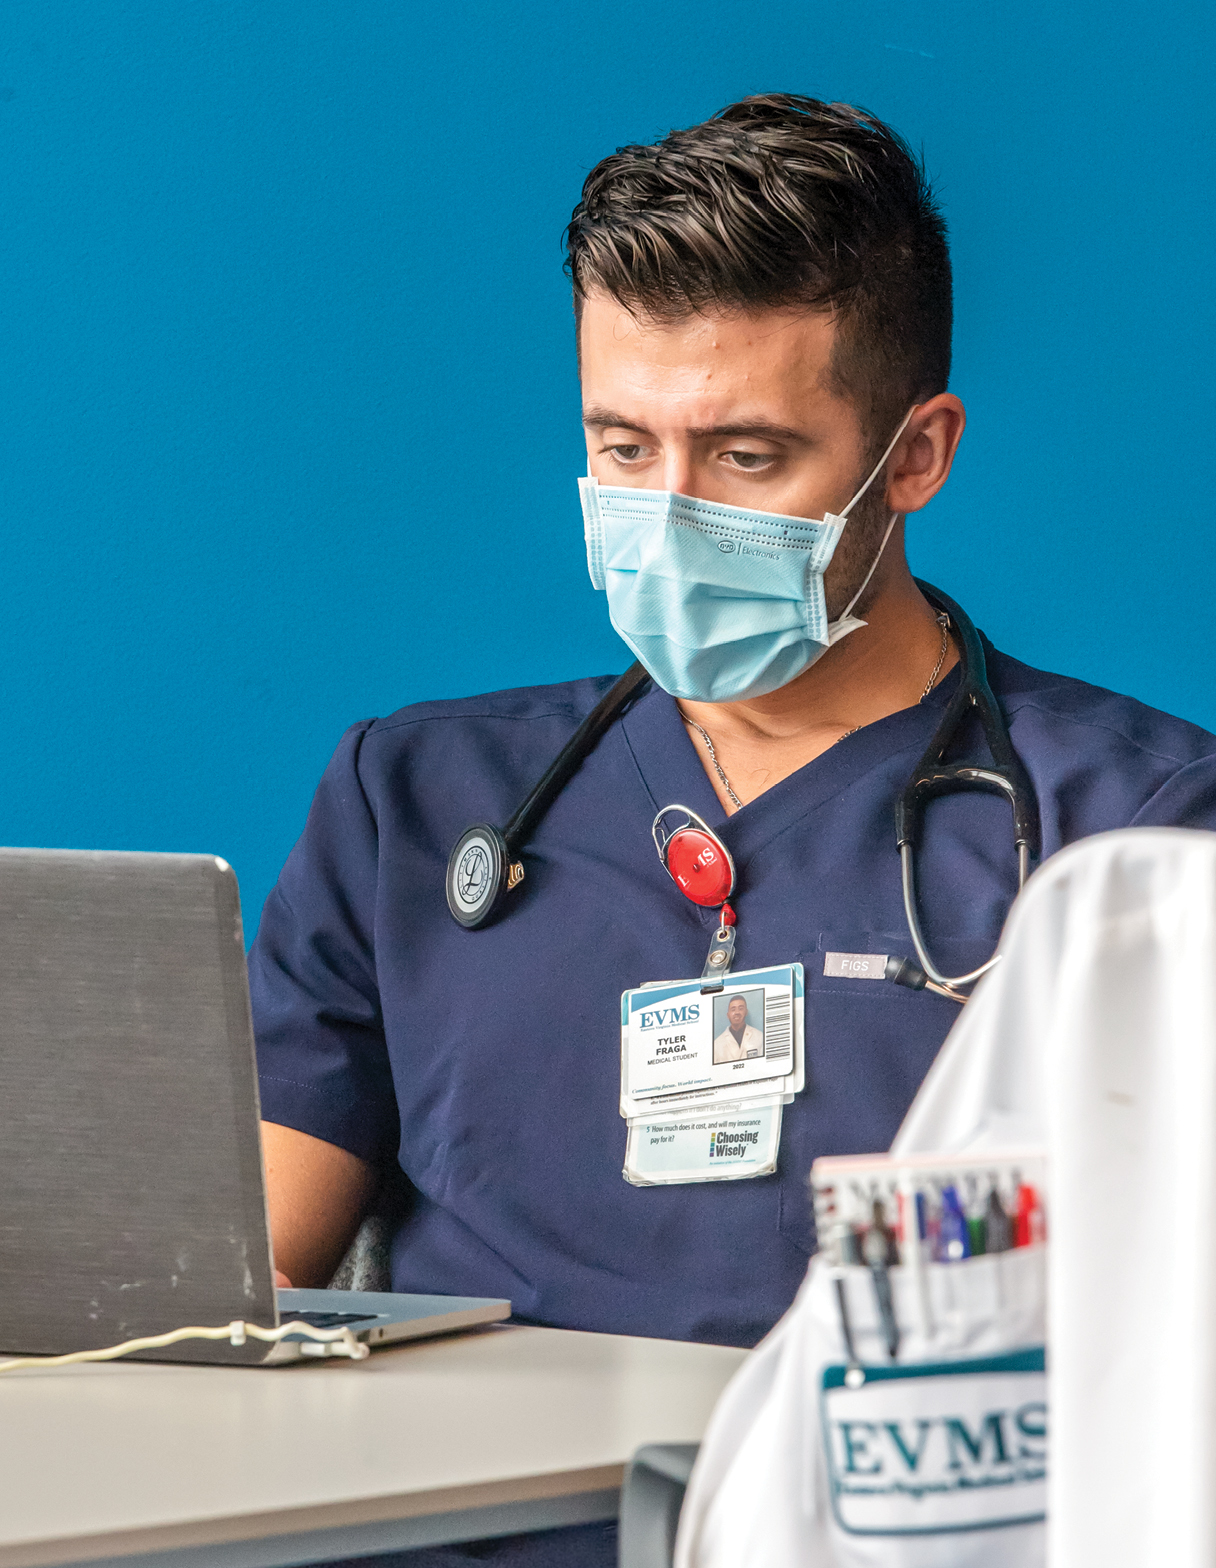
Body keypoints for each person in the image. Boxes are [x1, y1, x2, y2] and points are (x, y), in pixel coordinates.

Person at [249, 94, 1216, 1567]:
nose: (670, 515)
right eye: (624, 448)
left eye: (748, 458)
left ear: (916, 456)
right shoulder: (422, 799)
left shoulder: (1136, 843)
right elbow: (202, 1303)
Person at [713, 995, 762, 1062]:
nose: (737, 1012)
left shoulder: (760, 1037)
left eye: (741, 1008)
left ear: (746, 1012)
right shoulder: (716, 1044)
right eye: (733, 1009)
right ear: (728, 1015)